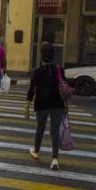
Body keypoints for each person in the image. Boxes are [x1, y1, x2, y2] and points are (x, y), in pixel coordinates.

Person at [25, 42, 66, 171]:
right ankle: (55, 159)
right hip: (58, 104)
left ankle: (36, 151)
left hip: (41, 104)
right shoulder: (59, 70)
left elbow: (32, 90)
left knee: (40, 128)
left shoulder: (37, 72)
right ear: (54, 56)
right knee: (55, 131)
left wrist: (27, 107)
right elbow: (63, 87)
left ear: (41, 55)